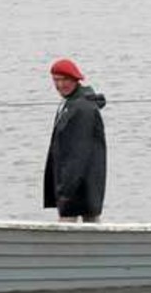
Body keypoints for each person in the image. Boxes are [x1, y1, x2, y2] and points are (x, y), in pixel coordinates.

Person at [43, 58, 107, 223]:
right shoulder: (70, 103)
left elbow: (79, 153)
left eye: (65, 79)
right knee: (91, 224)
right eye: (56, 80)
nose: (60, 85)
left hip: (78, 185)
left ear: (75, 79)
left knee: (67, 231)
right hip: (80, 184)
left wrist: (66, 190)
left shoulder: (82, 108)